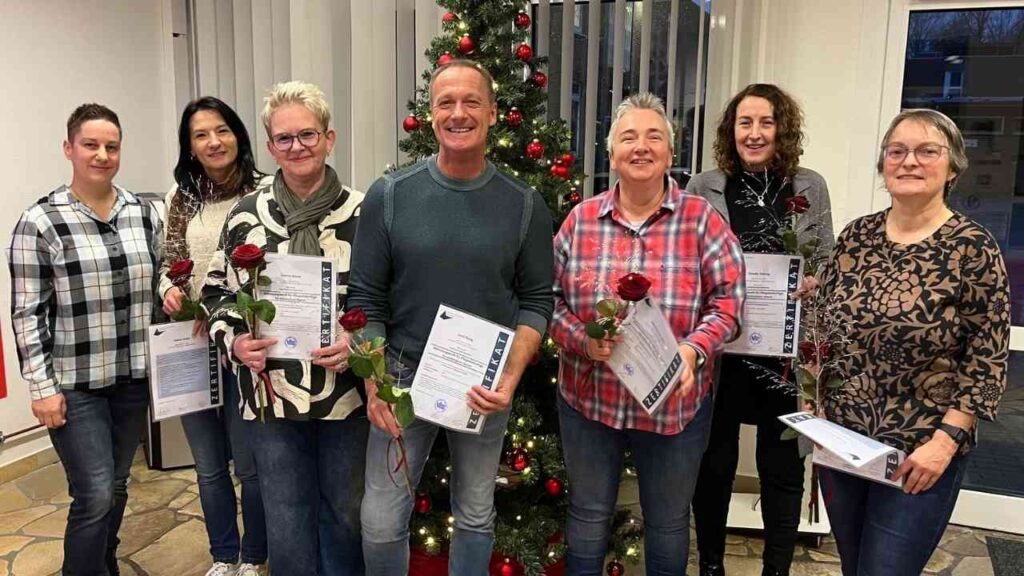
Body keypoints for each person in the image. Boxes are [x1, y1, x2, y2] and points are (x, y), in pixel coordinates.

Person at [348, 59, 554, 575]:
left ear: (492, 113)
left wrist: (509, 377)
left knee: (477, 515)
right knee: (379, 519)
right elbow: (366, 298)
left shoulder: (525, 206)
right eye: (446, 102)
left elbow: (536, 300)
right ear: (430, 113)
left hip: (485, 384)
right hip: (399, 379)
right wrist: (374, 383)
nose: (458, 113)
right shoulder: (390, 196)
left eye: (471, 102)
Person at [549, 92, 745, 576]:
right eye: (628, 137)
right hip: (590, 402)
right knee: (589, 517)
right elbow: (546, 300)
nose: (641, 146)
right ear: (611, 153)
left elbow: (730, 304)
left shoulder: (702, 220)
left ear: (671, 155)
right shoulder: (579, 220)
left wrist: (693, 349)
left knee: (669, 523)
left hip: (675, 407)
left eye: (653, 136)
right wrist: (581, 338)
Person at [815, 108, 1009, 575]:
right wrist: (817, 403)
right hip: (844, 444)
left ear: (953, 166)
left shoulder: (973, 248)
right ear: (883, 164)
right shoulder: (856, 236)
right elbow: (825, 326)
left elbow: (987, 358)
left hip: (920, 452)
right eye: (897, 151)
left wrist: (946, 441)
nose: (909, 161)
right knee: (853, 566)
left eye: (927, 151)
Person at [202, 81, 367, 575]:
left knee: (344, 513)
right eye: (285, 138)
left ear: (330, 138)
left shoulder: (365, 212)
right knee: (285, 514)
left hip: (346, 393)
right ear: (271, 145)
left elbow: (387, 300)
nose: (297, 147)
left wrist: (358, 341)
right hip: (269, 392)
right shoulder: (246, 215)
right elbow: (214, 292)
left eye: (308, 135)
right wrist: (235, 341)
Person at [7, 103, 162, 576]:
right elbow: (28, 313)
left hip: (132, 379)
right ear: (69, 149)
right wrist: (41, 388)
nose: (102, 155)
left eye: (111, 146)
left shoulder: (144, 213)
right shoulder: (40, 222)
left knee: (115, 487)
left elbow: (160, 285)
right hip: (74, 386)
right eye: (90, 145)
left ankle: (104, 566)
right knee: (93, 493)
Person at [687, 83, 834, 576]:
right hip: (720, 354)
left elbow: (826, 261)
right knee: (713, 465)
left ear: (782, 128)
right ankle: (711, 564)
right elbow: (688, 264)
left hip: (783, 357)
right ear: (731, 130)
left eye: (765, 122)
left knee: (783, 469)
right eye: (744, 123)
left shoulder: (808, 186)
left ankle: (776, 570)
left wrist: (815, 283)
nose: (754, 133)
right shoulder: (703, 186)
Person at [160, 96, 270, 576]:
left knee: (250, 464)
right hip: (190, 342)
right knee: (208, 466)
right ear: (190, 145)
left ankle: (255, 554)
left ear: (238, 135)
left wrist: (226, 311)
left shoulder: (265, 192)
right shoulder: (180, 198)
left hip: (245, 344)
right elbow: (168, 262)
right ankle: (224, 556)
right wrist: (168, 290)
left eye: (221, 130)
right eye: (200, 134)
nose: (213, 141)